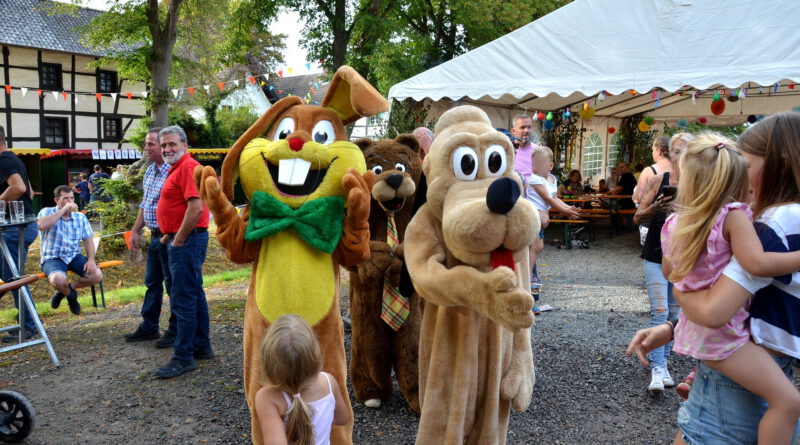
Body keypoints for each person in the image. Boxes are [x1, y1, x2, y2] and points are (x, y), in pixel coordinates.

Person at [628, 113, 800, 445]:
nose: (745, 180)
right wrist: (675, 321)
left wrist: (680, 303)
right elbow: (720, 301)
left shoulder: (683, 221)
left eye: (747, 166)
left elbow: (688, 287)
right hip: (732, 358)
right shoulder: (744, 220)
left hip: (725, 360)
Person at [632, 132, 691, 391]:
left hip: (684, 258)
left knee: (674, 313)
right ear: (670, 153)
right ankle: (658, 368)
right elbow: (636, 217)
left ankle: (663, 361)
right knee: (660, 312)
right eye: (676, 151)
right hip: (656, 255)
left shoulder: (700, 183)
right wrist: (655, 208)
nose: (681, 156)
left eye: (687, 151)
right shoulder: (659, 180)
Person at [154, 125, 211, 379]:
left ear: (184, 145)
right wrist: (169, 233)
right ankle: (201, 346)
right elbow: (178, 206)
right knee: (194, 295)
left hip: (187, 243)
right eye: (163, 145)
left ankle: (183, 357)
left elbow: (196, 208)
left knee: (183, 299)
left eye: (171, 144)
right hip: (182, 239)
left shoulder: (187, 167)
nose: (167, 149)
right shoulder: (177, 168)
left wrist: (177, 240)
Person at [255, 314, 349, 445]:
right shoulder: (329, 382)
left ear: (268, 364)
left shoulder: (267, 398)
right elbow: (342, 418)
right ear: (315, 354)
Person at [123, 127, 177, 347]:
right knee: (152, 282)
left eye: (151, 144)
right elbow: (145, 206)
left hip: (171, 237)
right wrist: (136, 231)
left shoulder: (172, 170)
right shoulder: (150, 171)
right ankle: (149, 326)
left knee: (173, 285)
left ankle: (175, 329)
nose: (147, 147)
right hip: (154, 236)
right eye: (147, 143)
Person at [526, 146, 579, 314]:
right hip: (531, 215)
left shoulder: (551, 179)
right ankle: (526, 275)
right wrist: (565, 211)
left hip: (540, 216)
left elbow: (554, 197)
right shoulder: (534, 179)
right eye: (535, 162)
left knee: (538, 247)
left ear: (550, 165)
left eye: (541, 162)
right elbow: (547, 198)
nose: (537, 165)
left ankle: (528, 277)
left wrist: (568, 207)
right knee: (536, 247)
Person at [0, 125, 40, 341]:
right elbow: (31, 192)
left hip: (16, 229)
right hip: (22, 225)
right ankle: (28, 323)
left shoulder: (4, 160)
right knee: (9, 277)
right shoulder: (14, 159)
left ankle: (29, 325)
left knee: (13, 278)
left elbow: (20, 188)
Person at [38, 185, 103, 316]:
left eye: (71, 198)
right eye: (65, 198)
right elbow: (41, 225)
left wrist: (91, 259)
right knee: (57, 280)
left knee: (97, 275)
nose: (69, 201)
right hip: (52, 257)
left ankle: (68, 290)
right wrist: (64, 210)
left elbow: (89, 240)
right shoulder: (46, 212)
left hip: (74, 255)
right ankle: (70, 296)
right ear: (56, 200)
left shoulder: (80, 217)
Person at [633, 136, 671, 204]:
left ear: (659, 151)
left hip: (655, 212)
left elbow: (637, 199)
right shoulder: (680, 169)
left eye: (653, 150)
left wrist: (635, 191)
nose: (652, 153)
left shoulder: (649, 171)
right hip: (679, 213)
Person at [511, 114, 538, 179]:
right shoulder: (508, 149)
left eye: (529, 127)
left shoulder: (538, 150)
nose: (526, 130)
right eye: (522, 127)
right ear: (513, 131)